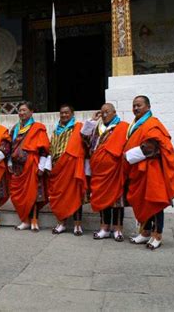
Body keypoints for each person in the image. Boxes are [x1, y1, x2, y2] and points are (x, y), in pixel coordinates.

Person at [125, 95, 174, 250]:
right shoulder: (137, 124)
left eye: (139, 105)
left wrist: (128, 156)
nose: (135, 108)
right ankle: (146, 232)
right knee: (142, 200)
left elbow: (152, 147)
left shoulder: (152, 124)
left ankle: (157, 235)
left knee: (155, 202)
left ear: (148, 107)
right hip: (140, 171)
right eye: (134, 105)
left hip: (152, 169)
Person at [81, 103, 129, 241]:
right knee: (103, 199)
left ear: (114, 112)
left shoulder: (122, 127)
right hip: (99, 171)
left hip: (115, 170)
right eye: (102, 112)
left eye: (107, 111)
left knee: (117, 202)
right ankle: (104, 228)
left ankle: (118, 229)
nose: (104, 114)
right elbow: (85, 139)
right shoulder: (98, 128)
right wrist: (92, 120)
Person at [9, 102, 49, 232]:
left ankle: (34, 220)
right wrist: (9, 162)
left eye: (24, 110)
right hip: (17, 168)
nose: (21, 113)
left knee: (33, 194)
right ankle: (25, 220)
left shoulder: (38, 127)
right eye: (20, 110)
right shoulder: (15, 128)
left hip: (32, 165)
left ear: (31, 112)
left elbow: (44, 149)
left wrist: (42, 166)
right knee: (17, 195)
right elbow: (10, 147)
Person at [46, 104, 87, 236]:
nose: (64, 115)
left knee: (75, 196)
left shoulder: (78, 128)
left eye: (67, 113)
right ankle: (61, 223)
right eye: (62, 113)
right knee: (59, 197)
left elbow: (86, 140)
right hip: (58, 168)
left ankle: (77, 225)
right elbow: (51, 148)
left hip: (72, 167)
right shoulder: (55, 131)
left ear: (72, 114)